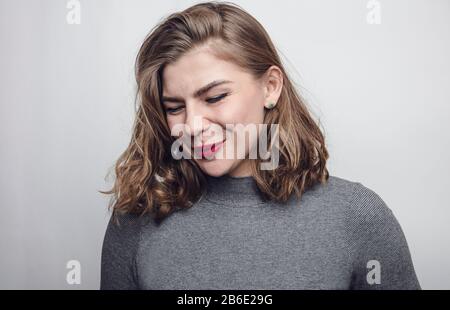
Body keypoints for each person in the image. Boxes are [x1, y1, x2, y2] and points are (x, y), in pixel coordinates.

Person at [100, 1, 421, 290]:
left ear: (270, 87)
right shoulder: (136, 221)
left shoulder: (356, 216)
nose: (193, 126)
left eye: (215, 97)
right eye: (174, 108)